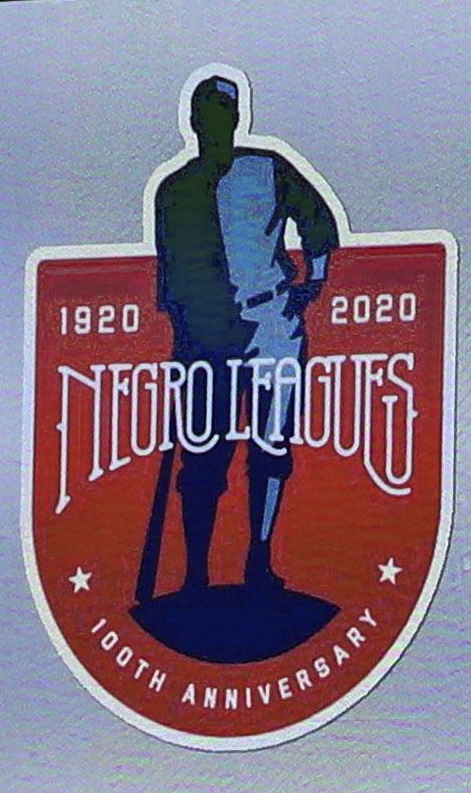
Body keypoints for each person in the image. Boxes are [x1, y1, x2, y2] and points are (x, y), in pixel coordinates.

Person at [135, 72, 341, 608]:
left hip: (271, 324)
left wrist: (311, 282)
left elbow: (317, 222)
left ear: (236, 117)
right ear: (193, 122)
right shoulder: (174, 188)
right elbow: (171, 273)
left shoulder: (267, 169)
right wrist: (182, 334)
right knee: (203, 453)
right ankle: (196, 573)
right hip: (206, 336)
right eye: (207, 114)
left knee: (271, 447)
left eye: (224, 113)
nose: (216, 124)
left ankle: (260, 559)